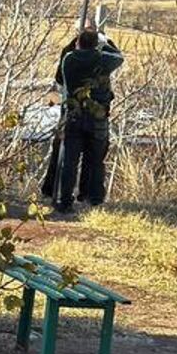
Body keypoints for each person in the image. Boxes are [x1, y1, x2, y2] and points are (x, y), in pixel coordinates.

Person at [52, 26, 125, 218]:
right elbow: (118, 57)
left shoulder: (69, 60)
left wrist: (75, 39)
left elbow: (65, 56)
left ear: (78, 43)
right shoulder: (102, 59)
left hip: (73, 115)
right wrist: (105, 40)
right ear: (95, 45)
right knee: (95, 160)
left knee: (69, 161)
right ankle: (93, 198)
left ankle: (64, 200)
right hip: (97, 116)